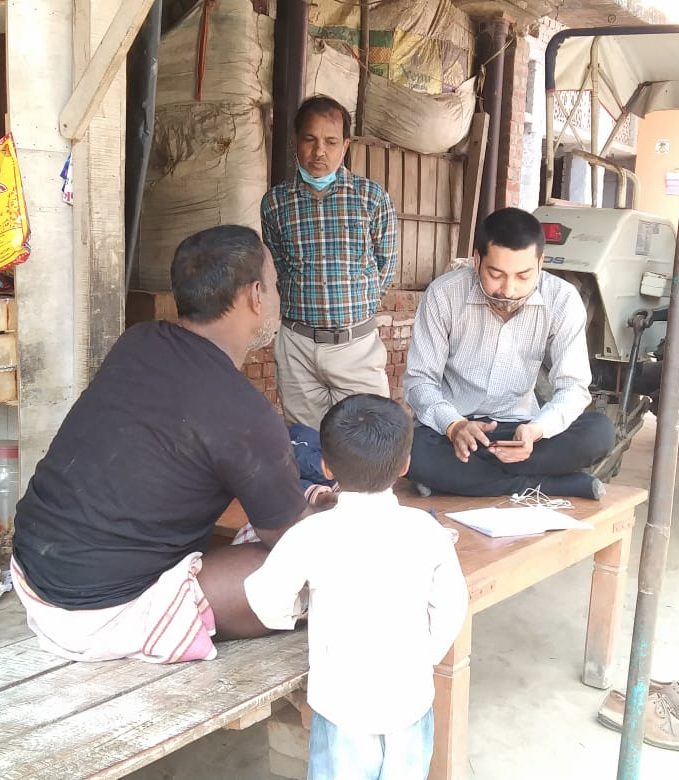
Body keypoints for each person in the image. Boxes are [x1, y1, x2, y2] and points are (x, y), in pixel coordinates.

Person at [11, 225, 309, 664]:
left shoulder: (138, 342)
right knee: (303, 572)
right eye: (276, 285)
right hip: (94, 613)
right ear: (256, 295)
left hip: (32, 573)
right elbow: (291, 538)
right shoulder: (246, 414)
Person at [244, 394, 468, 780]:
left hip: (341, 709)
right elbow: (452, 606)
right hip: (409, 704)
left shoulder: (309, 534)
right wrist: (423, 656)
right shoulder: (427, 532)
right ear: (405, 466)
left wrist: (296, 612)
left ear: (326, 466)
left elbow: (265, 600)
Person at [404, 207, 615, 499]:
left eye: (523, 276)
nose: (509, 289)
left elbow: (574, 388)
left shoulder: (563, 300)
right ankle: (548, 485)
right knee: (408, 449)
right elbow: (419, 381)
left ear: (541, 264)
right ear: (477, 260)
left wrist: (536, 430)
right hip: (458, 432)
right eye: (496, 274)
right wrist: (454, 426)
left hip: (523, 433)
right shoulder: (444, 294)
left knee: (600, 432)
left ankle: (459, 480)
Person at [261, 95, 398, 429]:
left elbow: (386, 266)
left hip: (356, 347)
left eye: (331, 141)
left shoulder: (371, 198)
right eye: (310, 139)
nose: (319, 151)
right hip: (298, 347)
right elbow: (278, 267)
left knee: (369, 439)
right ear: (296, 140)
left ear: (345, 145)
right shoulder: (276, 203)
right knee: (307, 442)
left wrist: (348, 308)